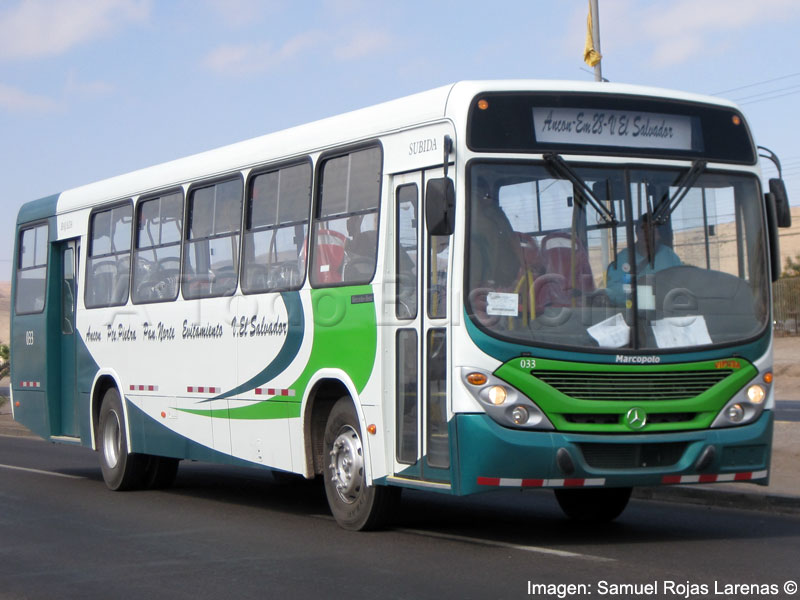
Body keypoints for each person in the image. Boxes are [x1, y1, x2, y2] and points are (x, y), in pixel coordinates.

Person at [606, 213, 681, 306]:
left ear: (658, 235)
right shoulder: (623, 258)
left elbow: (682, 284)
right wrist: (637, 290)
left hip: (665, 312)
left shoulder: (669, 256)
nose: (646, 233)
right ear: (636, 233)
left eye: (651, 229)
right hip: (633, 315)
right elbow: (612, 290)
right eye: (642, 229)